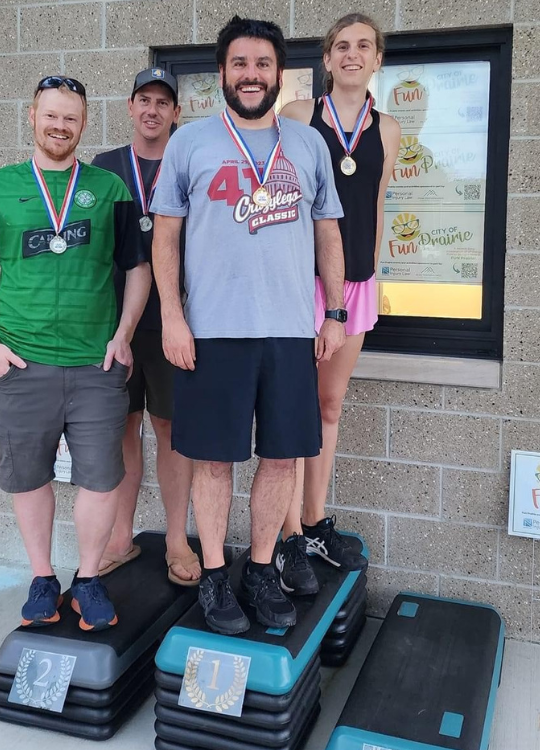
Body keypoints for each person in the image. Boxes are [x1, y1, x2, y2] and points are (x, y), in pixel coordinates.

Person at [150, 17, 347, 635]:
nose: (252, 74)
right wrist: (173, 318)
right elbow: (166, 237)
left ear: (279, 73)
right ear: (222, 73)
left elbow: (328, 233)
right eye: (240, 63)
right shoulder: (191, 144)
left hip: (289, 330)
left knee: (282, 460)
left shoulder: (308, 144)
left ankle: (261, 567)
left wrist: (335, 312)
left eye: (263, 64)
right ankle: (214, 573)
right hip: (212, 332)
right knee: (213, 462)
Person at [0, 76, 149, 632]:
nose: (61, 126)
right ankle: (41, 577)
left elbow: (138, 267)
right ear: (32, 116)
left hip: (96, 364)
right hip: (23, 363)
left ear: (83, 124)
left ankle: (88, 577)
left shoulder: (109, 189)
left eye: (72, 119)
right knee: (29, 476)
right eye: (52, 116)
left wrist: (124, 332)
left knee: (101, 478)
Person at [275, 14, 400, 595]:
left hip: (355, 286)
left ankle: (314, 519)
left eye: (364, 47)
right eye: (342, 47)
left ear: (377, 59)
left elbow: (375, 204)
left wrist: (364, 272)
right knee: (293, 408)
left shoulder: (389, 129)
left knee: (328, 404)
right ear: (326, 60)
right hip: (301, 285)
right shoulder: (298, 116)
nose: (353, 55)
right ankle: (286, 535)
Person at [90, 69, 201, 587]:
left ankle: (178, 540)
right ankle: (120, 537)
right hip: (113, 324)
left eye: (163, 102)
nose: (153, 110)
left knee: (171, 430)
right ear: (130, 107)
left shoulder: (189, 159)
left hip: (173, 320)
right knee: (123, 428)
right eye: (144, 100)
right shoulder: (105, 166)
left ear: (176, 112)